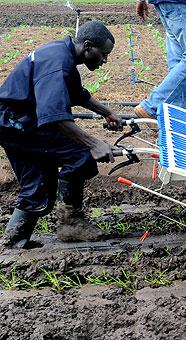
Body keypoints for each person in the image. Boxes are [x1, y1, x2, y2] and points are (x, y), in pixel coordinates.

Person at [0, 21, 122, 248]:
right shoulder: (59, 63)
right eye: (103, 54)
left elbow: (77, 94)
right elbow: (54, 117)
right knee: (81, 154)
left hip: (16, 122)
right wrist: (94, 143)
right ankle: (70, 223)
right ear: (87, 47)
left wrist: (108, 113)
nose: (105, 60)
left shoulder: (62, 52)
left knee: (38, 185)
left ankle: (15, 239)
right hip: (18, 125)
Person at [134, 0, 186, 118]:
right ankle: (152, 105)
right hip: (181, 4)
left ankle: (178, 115)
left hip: (164, 4)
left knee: (178, 60)